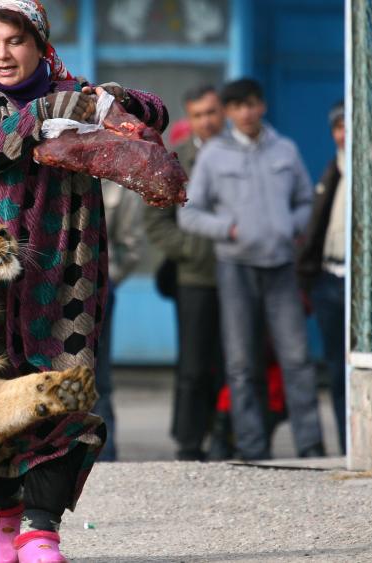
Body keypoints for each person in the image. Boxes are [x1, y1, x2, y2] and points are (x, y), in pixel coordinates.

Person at [0, 2, 168, 560]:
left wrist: (110, 101)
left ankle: (41, 528)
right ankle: (7, 511)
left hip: (67, 277)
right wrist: (43, 112)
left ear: (39, 45)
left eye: (15, 42)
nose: (2, 54)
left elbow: (153, 113)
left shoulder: (73, 96)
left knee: (67, 395)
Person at [178, 77, 324, 461]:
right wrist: (228, 229)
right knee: (241, 364)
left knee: (297, 359)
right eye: (237, 106)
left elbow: (306, 202)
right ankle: (252, 448)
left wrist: (286, 227)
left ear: (262, 106)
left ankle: (311, 447)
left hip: (280, 269)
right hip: (235, 269)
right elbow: (188, 213)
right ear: (228, 112)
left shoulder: (286, 150)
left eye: (251, 104)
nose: (245, 112)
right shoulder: (214, 156)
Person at [143, 84, 227, 461]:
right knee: (193, 364)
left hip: (242, 274)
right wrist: (194, 250)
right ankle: (189, 441)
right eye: (199, 115)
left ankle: (230, 437)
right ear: (189, 119)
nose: (206, 121)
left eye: (212, 112)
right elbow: (157, 223)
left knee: (235, 363)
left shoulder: (239, 155)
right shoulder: (176, 161)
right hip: (195, 278)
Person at [296, 100, 346, 454]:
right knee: (336, 369)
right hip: (329, 277)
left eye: (350, 125)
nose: (345, 134)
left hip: (359, 281)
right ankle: (346, 446)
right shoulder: (332, 171)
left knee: (357, 364)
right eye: (339, 127)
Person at [93, 181, 144, 462]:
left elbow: (131, 245)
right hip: (49, 286)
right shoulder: (52, 161)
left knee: (98, 378)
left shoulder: (116, 184)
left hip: (99, 285)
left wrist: (108, 278)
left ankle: (104, 456)